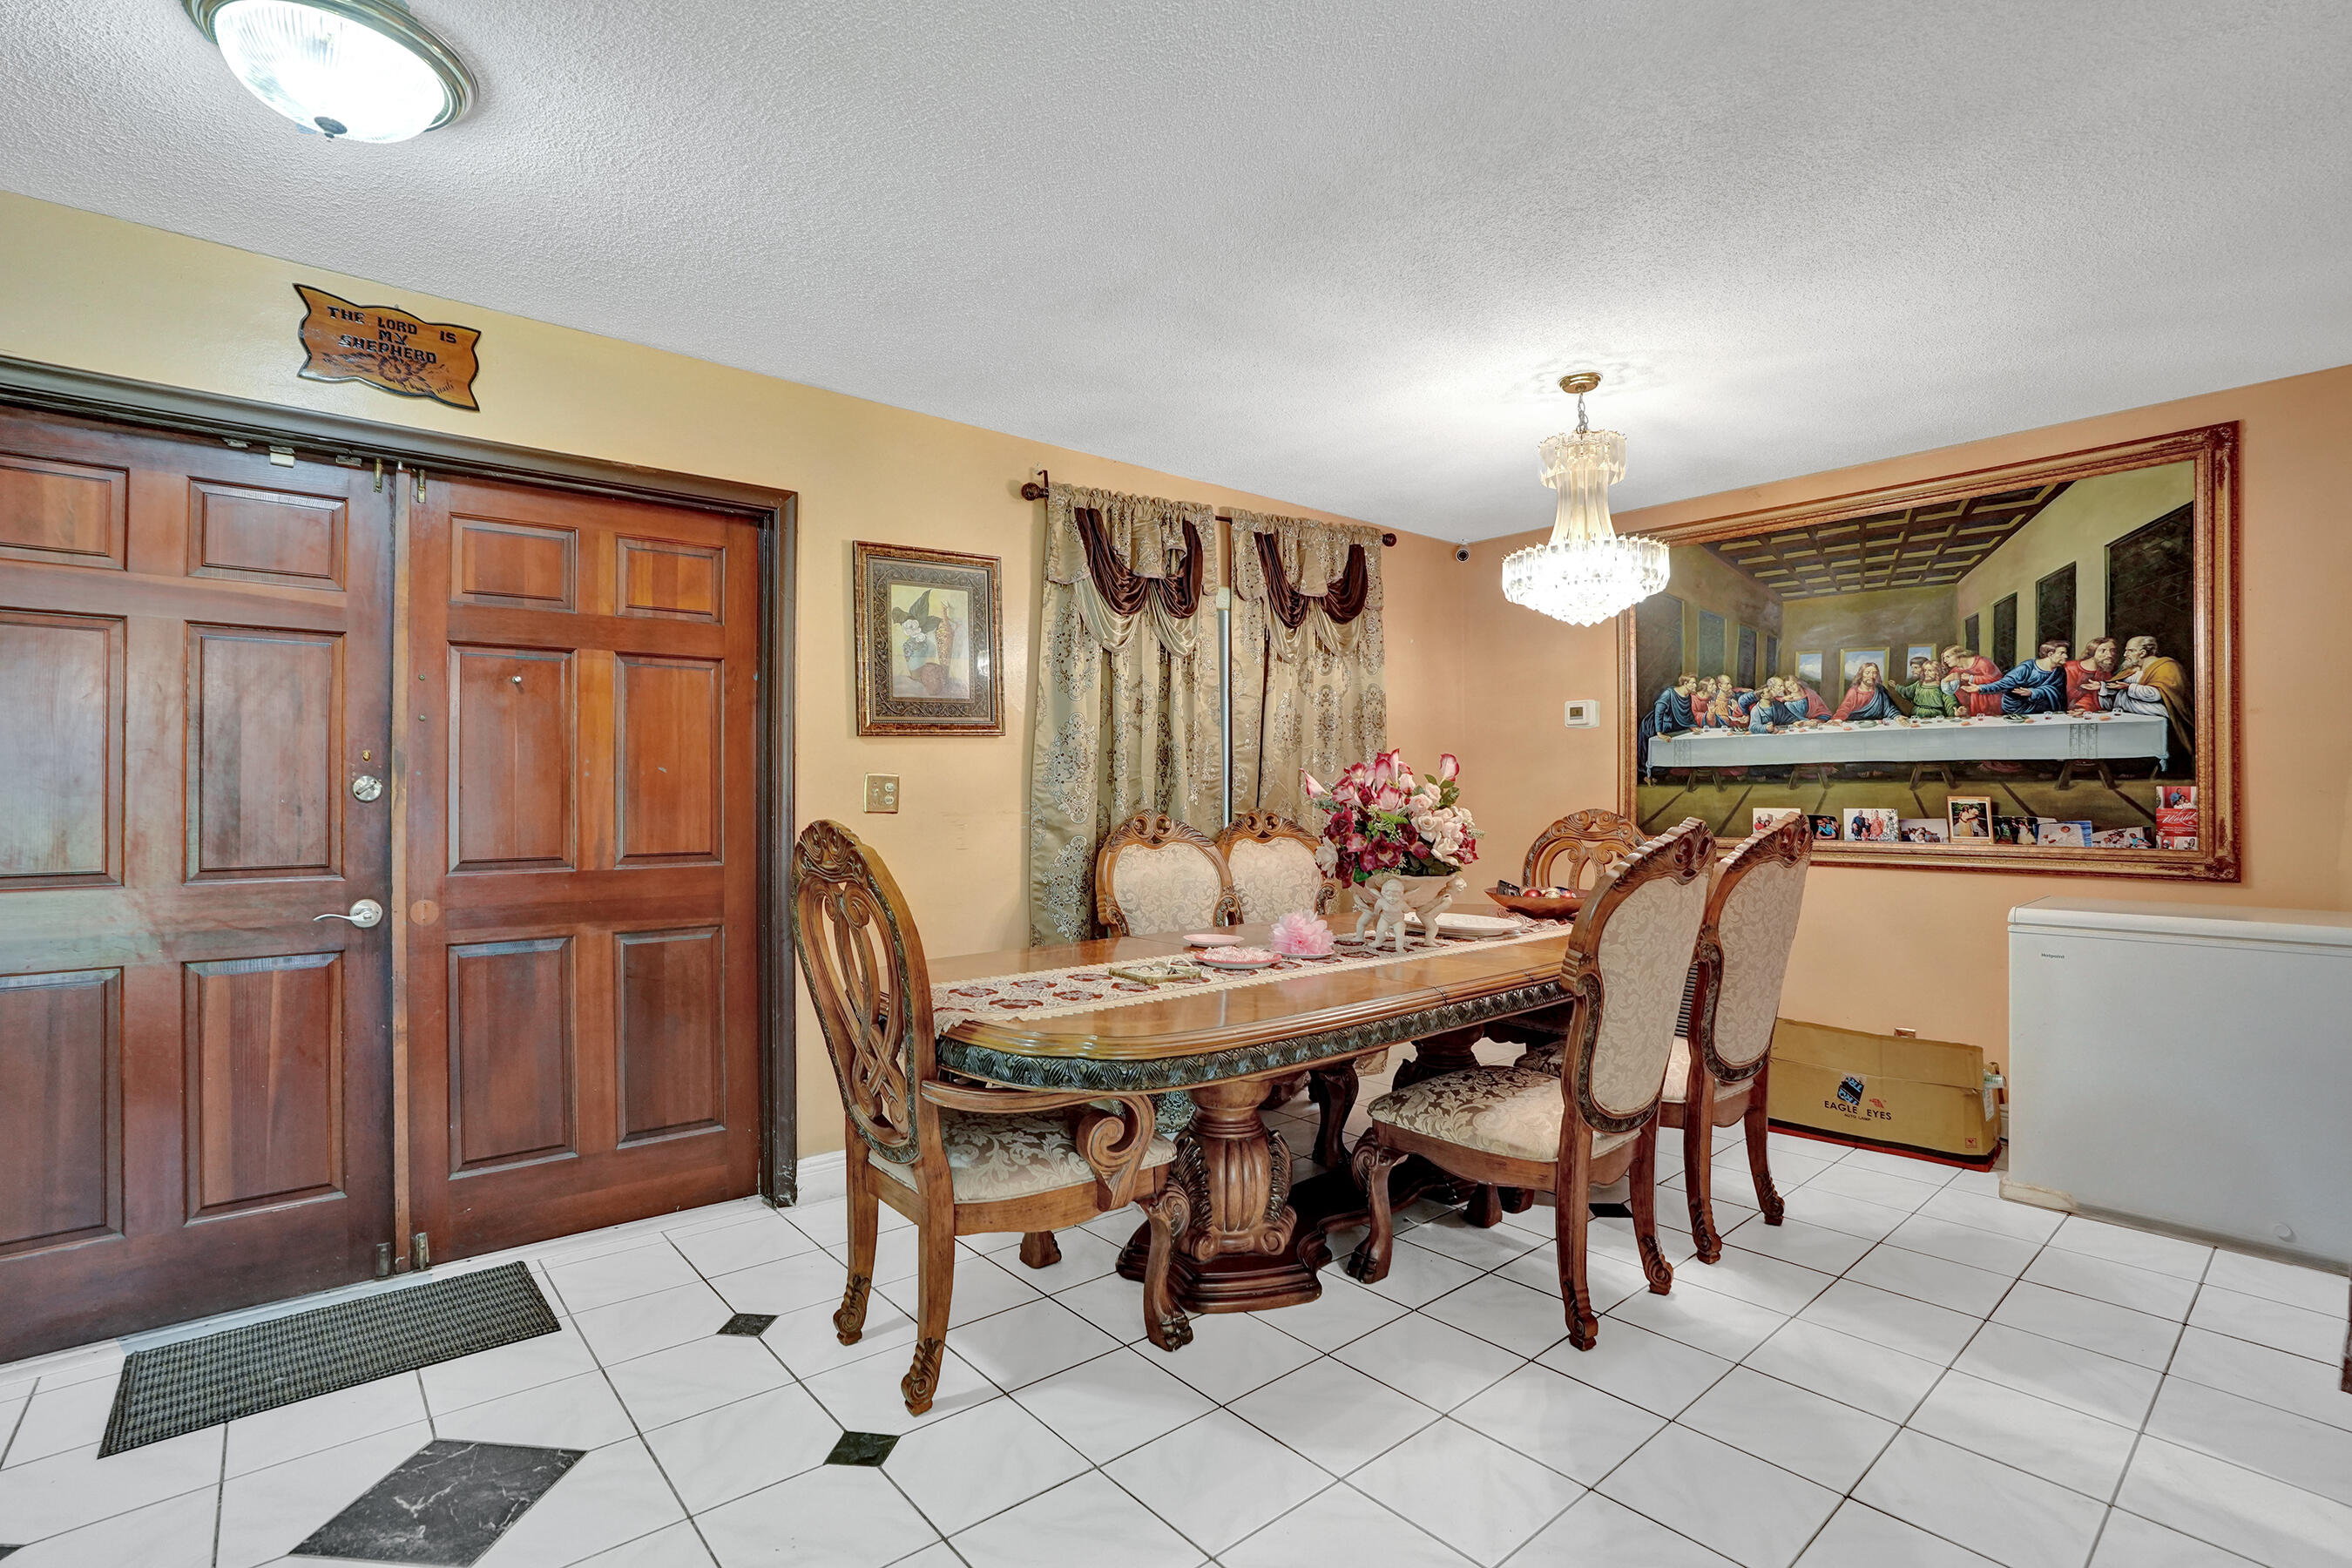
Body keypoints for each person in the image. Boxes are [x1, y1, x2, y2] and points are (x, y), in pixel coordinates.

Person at [2112, 634, 2194, 766]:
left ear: (2143, 653)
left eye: (2130, 650)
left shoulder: (2166, 667)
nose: (2125, 654)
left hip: (2166, 719)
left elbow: (2156, 694)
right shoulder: (2133, 669)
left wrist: (2129, 688)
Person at [1963, 639, 2071, 714]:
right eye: (2062, 653)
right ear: (2050, 654)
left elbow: (2058, 693)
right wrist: (1981, 688)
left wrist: (2033, 692)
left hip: (2042, 709)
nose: (2065, 656)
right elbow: (2005, 683)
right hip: (2017, 709)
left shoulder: (2060, 671)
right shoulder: (2027, 668)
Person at [1889, 655, 1963, 719]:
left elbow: (1950, 701)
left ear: (1937, 672)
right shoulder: (1919, 684)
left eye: (1930, 670)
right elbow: (1907, 691)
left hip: (1936, 716)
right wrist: (1896, 687)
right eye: (1924, 671)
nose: (1926, 673)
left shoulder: (1942, 686)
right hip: (1917, 714)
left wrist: (1955, 712)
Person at [1943, 645, 2004, 718]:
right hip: (1971, 708)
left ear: (1959, 654)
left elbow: (1997, 679)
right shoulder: (1955, 671)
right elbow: (1949, 692)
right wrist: (1945, 681)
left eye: (1948, 657)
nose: (1945, 660)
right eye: (1944, 658)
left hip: (1990, 704)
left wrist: (1972, 678)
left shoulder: (1983, 663)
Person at [1832, 661, 1903, 720]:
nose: (1871, 676)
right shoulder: (1854, 692)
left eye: (1874, 673)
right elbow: (1844, 709)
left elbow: (1890, 709)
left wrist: (1897, 717)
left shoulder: (1880, 690)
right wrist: (1838, 720)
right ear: (1861, 675)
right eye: (1867, 673)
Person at [2066, 636, 2119, 713]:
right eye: (2103, 651)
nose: (2110, 655)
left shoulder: (2105, 671)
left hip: (2090, 712)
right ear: (2092, 652)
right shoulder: (2070, 668)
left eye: (2112, 650)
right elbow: (2068, 694)